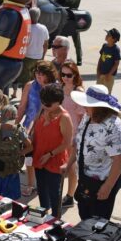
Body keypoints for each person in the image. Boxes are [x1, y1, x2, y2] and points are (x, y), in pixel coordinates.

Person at [71, 84, 121, 220]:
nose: (84, 107)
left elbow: (119, 158)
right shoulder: (88, 116)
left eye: (87, 104)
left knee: (97, 220)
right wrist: (69, 164)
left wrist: (107, 186)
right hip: (86, 177)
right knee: (84, 214)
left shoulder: (113, 126)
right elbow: (79, 143)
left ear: (98, 107)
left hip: (104, 179)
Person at [30, 83, 74, 218]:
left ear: (59, 102)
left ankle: (56, 223)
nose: (44, 106)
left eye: (48, 105)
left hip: (54, 161)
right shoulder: (43, 110)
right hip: (39, 158)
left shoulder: (64, 118)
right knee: (42, 193)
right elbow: (33, 131)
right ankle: (43, 219)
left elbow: (67, 143)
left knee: (55, 197)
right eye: (43, 103)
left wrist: (50, 155)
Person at [16, 61, 58, 197]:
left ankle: (44, 184)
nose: (38, 77)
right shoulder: (30, 85)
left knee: (45, 158)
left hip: (48, 127)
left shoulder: (55, 87)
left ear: (49, 74)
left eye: (42, 74)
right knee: (29, 157)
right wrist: (15, 124)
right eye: (37, 73)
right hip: (29, 126)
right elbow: (22, 107)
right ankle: (30, 183)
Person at [0, 104, 31, 200]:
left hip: (9, 172)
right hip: (0, 172)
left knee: (5, 201)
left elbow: (30, 147)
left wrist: (19, 153)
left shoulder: (17, 130)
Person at [58, 62, 87, 209]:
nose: (65, 78)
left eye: (69, 75)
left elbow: (83, 118)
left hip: (73, 135)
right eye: (63, 74)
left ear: (75, 75)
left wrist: (78, 138)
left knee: (71, 167)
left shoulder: (79, 92)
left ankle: (70, 196)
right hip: (59, 133)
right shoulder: (60, 88)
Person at [14, 7, 49, 89]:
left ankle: (25, 96)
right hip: (38, 57)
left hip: (26, 58)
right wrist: (43, 56)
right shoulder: (43, 28)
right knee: (36, 79)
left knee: (25, 82)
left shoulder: (25, 27)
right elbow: (46, 44)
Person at [96, 28, 121, 92]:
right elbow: (101, 58)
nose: (106, 35)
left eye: (109, 35)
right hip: (101, 74)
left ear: (114, 39)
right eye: (107, 34)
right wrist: (98, 70)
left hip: (109, 77)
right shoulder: (104, 46)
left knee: (106, 95)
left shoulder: (115, 49)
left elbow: (116, 63)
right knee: (97, 93)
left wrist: (109, 74)